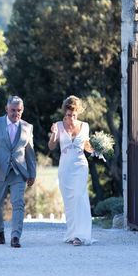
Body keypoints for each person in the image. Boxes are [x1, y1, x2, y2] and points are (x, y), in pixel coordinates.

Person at [0, 96, 36, 248]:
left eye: (19, 110)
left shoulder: (27, 127)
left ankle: (15, 237)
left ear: (22, 110)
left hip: (18, 172)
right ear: (6, 109)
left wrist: (32, 173)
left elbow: (30, 152)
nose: (16, 113)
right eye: (13, 110)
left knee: (18, 203)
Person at [48, 96, 93, 246]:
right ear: (65, 113)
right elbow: (51, 147)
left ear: (78, 113)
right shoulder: (58, 126)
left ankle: (81, 235)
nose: (71, 118)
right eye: (68, 115)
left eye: (74, 115)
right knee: (69, 201)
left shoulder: (85, 126)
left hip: (80, 165)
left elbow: (86, 146)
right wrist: (54, 133)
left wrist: (98, 148)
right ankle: (73, 234)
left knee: (79, 197)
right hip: (65, 167)